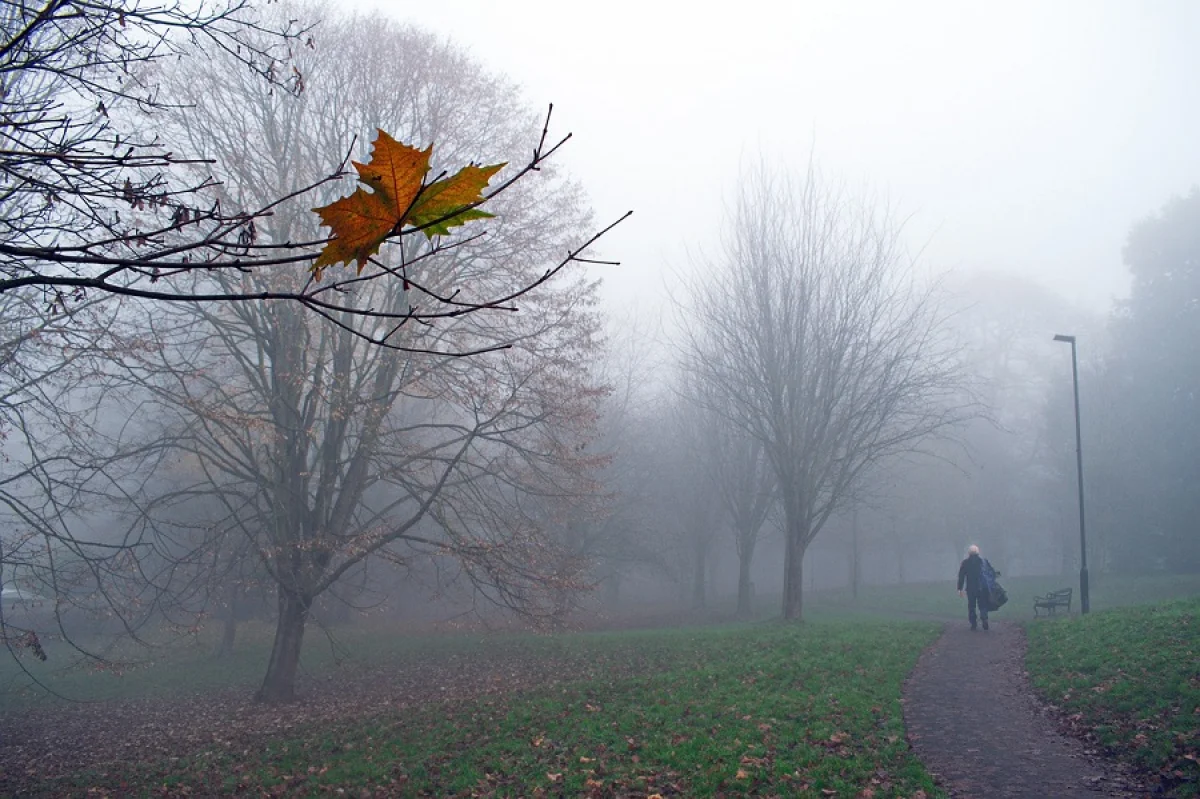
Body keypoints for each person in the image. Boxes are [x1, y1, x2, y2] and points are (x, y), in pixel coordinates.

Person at [957, 544, 989, 630]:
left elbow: (961, 577)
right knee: (982, 605)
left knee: (971, 606)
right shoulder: (982, 562)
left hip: (971, 588)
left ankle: (973, 623)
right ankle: (984, 619)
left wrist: (959, 588)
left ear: (969, 553)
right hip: (981, 587)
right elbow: (989, 573)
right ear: (978, 552)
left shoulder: (965, 563)